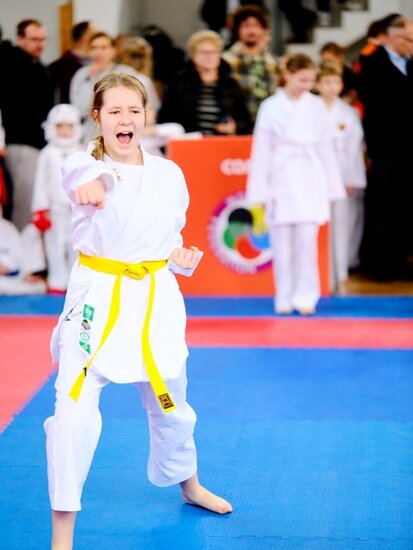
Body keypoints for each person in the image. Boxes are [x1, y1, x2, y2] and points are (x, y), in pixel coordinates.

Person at [44, 71, 232, 550]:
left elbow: (168, 238)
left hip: (155, 298)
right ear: (98, 118)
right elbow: (78, 173)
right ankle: (62, 535)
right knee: (71, 416)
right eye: (114, 111)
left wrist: (181, 259)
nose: (125, 119)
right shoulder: (84, 165)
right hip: (98, 300)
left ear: (147, 116)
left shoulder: (169, 174)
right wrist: (90, 182)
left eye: (134, 110)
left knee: (173, 404)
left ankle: (189, 484)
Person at [246, 53, 344, 315]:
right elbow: (262, 151)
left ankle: (306, 296)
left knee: (307, 240)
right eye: (302, 80)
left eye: (311, 81)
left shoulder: (316, 106)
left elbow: (325, 147)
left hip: (310, 176)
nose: (306, 86)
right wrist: (259, 192)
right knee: (282, 242)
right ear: (287, 74)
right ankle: (284, 295)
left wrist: (332, 187)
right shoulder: (270, 106)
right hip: (281, 176)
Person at [357, 16, 413, 280]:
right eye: (410, 40)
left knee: (406, 205)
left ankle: (403, 259)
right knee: (383, 204)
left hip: (409, 150)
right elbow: (371, 105)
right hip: (383, 148)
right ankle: (380, 263)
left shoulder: (411, 64)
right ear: (395, 37)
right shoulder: (371, 63)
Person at [315, 61, 366, 293]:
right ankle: (319, 273)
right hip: (314, 176)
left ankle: (341, 272)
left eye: (336, 82)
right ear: (318, 84)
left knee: (341, 225)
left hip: (341, 175)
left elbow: (354, 149)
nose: (332, 87)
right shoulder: (310, 109)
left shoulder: (348, 113)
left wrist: (352, 179)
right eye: (327, 82)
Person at [0, 19, 54, 231]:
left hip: (37, 140)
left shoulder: (37, 66)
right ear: (20, 38)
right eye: (34, 39)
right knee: (26, 197)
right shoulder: (10, 62)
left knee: (35, 196)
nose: (40, 44)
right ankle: (21, 243)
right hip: (20, 140)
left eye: (43, 39)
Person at [70, 31, 161, 144]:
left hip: (124, 134)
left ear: (113, 50)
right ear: (88, 51)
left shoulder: (126, 72)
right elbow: (80, 109)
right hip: (91, 136)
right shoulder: (81, 74)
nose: (99, 52)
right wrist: (91, 78)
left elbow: (148, 105)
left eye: (104, 47)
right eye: (94, 48)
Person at [157, 29, 252, 135]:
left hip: (221, 142)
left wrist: (234, 127)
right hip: (188, 141)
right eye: (203, 52)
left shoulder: (230, 85)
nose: (209, 56)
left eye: (213, 52)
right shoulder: (179, 83)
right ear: (193, 56)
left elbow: (245, 121)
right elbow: (165, 118)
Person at [31, 104, 83, 294]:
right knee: (54, 246)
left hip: (77, 209)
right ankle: (57, 281)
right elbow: (41, 182)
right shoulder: (47, 153)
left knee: (75, 246)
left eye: (69, 126)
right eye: (60, 126)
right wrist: (40, 208)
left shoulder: (82, 152)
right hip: (54, 209)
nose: (64, 131)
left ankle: (75, 282)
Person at [222, 5, 280, 125]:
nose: (251, 31)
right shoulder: (225, 60)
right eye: (246, 26)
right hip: (237, 125)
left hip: (269, 124)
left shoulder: (274, 61)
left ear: (263, 30)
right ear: (237, 30)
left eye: (256, 26)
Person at [48, 20, 96, 104]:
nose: (98, 38)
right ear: (84, 37)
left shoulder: (99, 63)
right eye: (95, 34)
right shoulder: (59, 66)